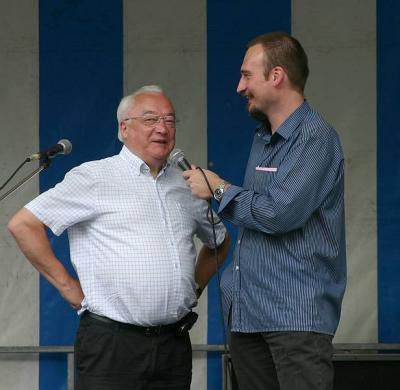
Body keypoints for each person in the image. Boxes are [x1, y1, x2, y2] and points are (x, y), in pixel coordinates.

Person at [8, 85, 230, 390]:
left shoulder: (186, 183)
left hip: (172, 343)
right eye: (150, 120)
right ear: (124, 129)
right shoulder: (95, 177)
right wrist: (67, 286)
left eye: (169, 120)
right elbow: (24, 224)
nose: (162, 129)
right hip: (111, 343)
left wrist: (194, 286)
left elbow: (220, 240)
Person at [182, 32, 346, 390]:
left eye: (246, 75)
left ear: (276, 76)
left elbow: (279, 214)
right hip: (248, 314)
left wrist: (218, 188)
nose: (240, 87)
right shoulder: (263, 137)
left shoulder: (315, 137)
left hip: (295, 318)